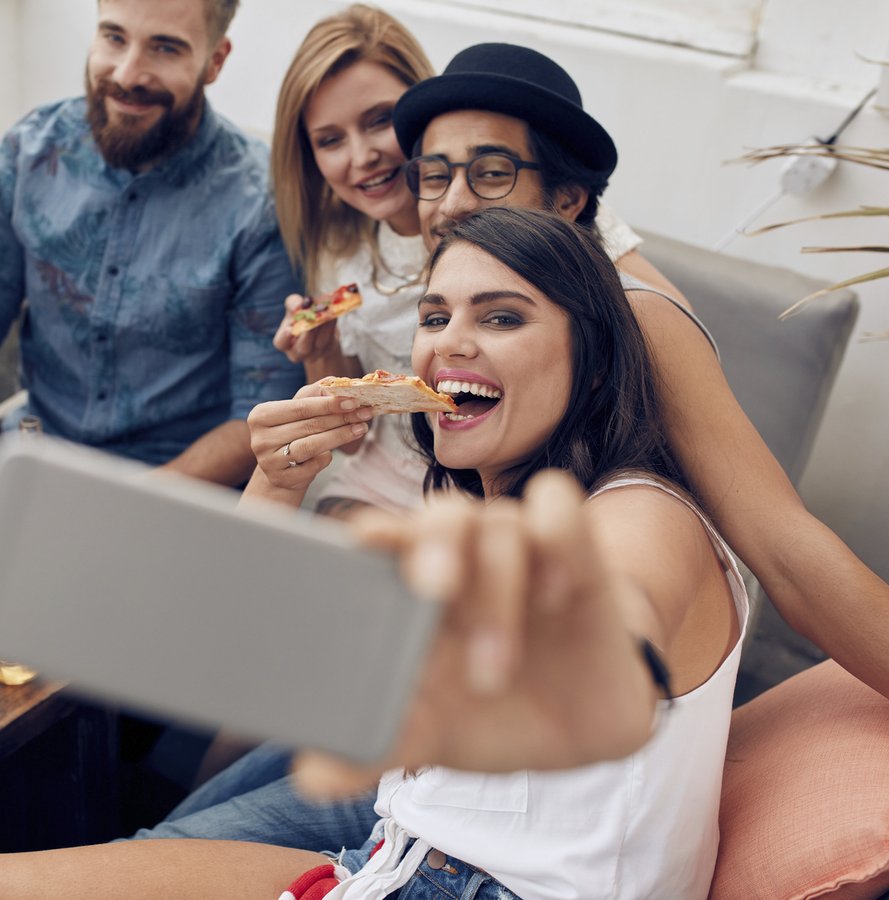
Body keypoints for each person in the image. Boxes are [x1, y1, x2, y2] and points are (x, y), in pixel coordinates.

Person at [130, 30, 889, 851]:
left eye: (491, 172)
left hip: (534, 755)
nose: (455, 201)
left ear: (568, 200)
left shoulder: (631, 320)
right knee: (184, 812)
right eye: (436, 175)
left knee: (176, 838)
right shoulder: (448, 321)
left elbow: (786, 554)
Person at [0, 207, 749, 900]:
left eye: (502, 316)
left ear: (592, 363)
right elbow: (235, 647)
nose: (451, 339)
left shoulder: (641, 511)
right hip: (401, 851)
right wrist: (276, 483)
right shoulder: (475, 504)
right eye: (435, 315)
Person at [266, 7, 693, 519]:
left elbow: (659, 317)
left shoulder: (542, 209)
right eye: (330, 140)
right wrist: (324, 349)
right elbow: (357, 436)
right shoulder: (341, 250)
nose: (363, 156)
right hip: (403, 472)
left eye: (380, 121)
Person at [0, 0, 305, 486]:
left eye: (165, 48)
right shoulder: (28, 151)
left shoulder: (262, 203)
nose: (127, 74)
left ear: (215, 61)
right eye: (114, 37)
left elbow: (259, 417)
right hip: (34, 446)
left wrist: (122, 511)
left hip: (178, 484)